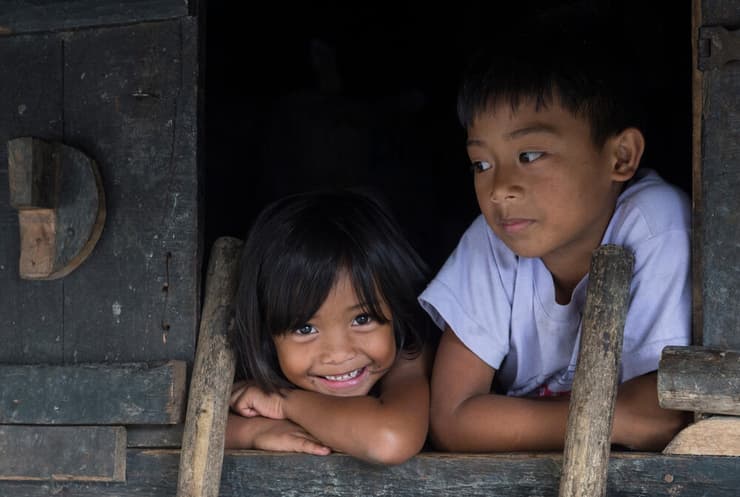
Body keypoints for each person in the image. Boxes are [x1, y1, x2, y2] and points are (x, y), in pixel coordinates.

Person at [419, 12, 691, 452]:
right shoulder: (491, 239)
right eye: (481, 164)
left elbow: (661, 414)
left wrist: (510, 422)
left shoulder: (655, 223)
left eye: (530, 155)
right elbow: (451, 418)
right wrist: (608, 420)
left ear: (621, 156)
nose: (500, 188)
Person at [225, 189, 433, 465]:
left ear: (396, 310)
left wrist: (284, 403)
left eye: (362, 319)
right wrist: (252, 430)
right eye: (305, 329)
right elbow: (168, 430)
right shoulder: (253, 365)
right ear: (266, 333)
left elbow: (388, 440)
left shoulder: (409, 356)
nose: (337, 353)